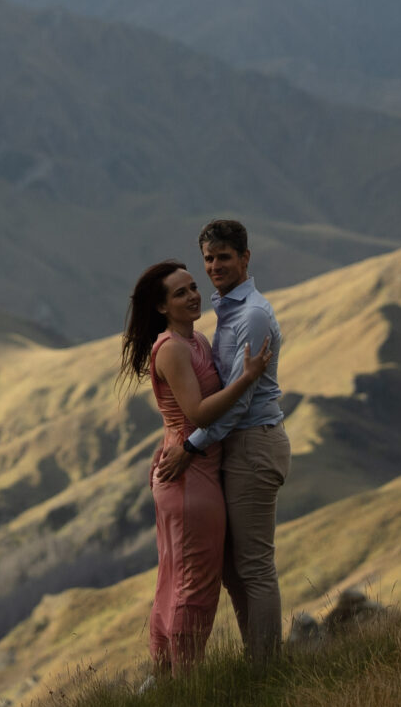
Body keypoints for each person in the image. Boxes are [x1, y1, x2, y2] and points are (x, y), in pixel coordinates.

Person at [121, 260, 269, 673]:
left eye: (192, 287)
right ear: (162, 307)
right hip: (189, 480)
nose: (192, 296)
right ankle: (187, 679)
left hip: (192, 469)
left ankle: (165, 672)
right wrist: (247, 378)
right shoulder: (171, 348)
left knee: (176, 574)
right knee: (195, 584)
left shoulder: (197, 341)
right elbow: (199, 414)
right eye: (180, 293)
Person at [154, 218, 289, 661]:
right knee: (233, 569)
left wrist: (191, 446)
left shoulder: (249, 316)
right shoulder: (225, 310)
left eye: (224, 257)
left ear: (246, 258)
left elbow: (239, 402)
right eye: (209, 258)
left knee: (253, 566)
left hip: (253, 443)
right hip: (234, 448)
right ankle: (258, 660)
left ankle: (266, 669)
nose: (215, 266)